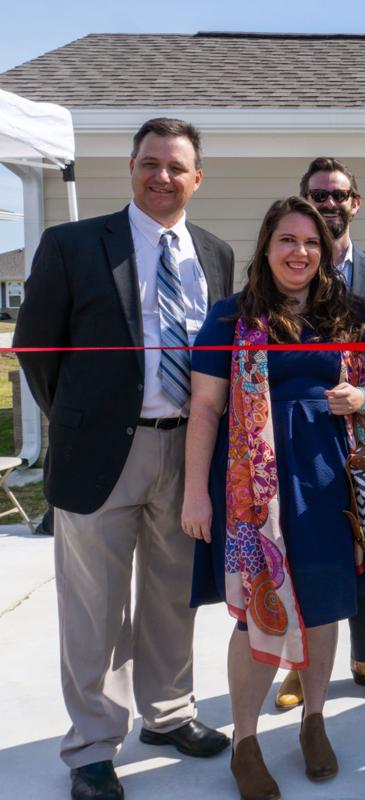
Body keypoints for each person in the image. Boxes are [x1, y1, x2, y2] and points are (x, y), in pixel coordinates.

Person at [14, 117, 234, 800]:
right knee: (95, 609)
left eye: (176, 166)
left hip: (188, 449)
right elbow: (36, 348)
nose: (161, 176)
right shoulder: (74, 244)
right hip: (102, 453)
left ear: (198, 177)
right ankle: (90, 746)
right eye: (149, 163)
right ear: (131, 168)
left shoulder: (216, 253)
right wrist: (83, 422)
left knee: (172, 594)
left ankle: (169, 715)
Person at [184, 196, 365, 798]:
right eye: (286, 241)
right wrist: (196, 494)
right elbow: (205, 407)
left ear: (325, 252)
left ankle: (314, 720)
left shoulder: (349, 315)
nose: (299, 253)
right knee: (255, 615)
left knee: (324, 604)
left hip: (329, 483)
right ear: (266, 249)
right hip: (252, 494)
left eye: (311, 243)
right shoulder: (229, 317)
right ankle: (245, 741)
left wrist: (364, 399)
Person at [273, 157, 365, 712]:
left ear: (357, 203)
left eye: (339, 195)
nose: (330, 204)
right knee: (298, 550)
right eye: (318, 196)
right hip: (302, 443)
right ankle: (296, 668)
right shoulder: (280, 272)